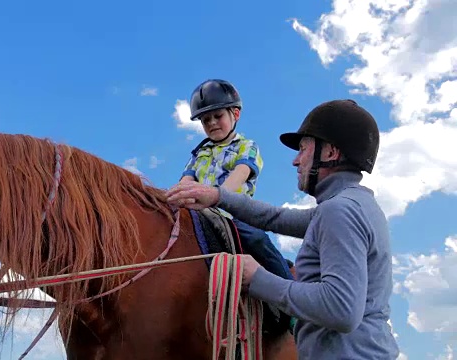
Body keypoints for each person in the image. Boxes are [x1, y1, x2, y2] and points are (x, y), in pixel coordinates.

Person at [166, 99, 400, 359]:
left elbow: (341, 309)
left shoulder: (340, 210)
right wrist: (217, 196)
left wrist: (257, 279)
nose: (295, 161)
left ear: (330, 153)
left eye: (303, 150)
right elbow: (274, 217)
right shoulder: (352, 205)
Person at [179, 79, 294, 283]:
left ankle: (289, 289)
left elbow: (241, 173)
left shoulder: (247, 146)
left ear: (236, 114)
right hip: (199, 215)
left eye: (218, 116)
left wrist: (216, 199)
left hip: (234, 215)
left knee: (257, 239)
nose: (212, 122)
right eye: (206, 120)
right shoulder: (199, 154)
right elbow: (185, 182)